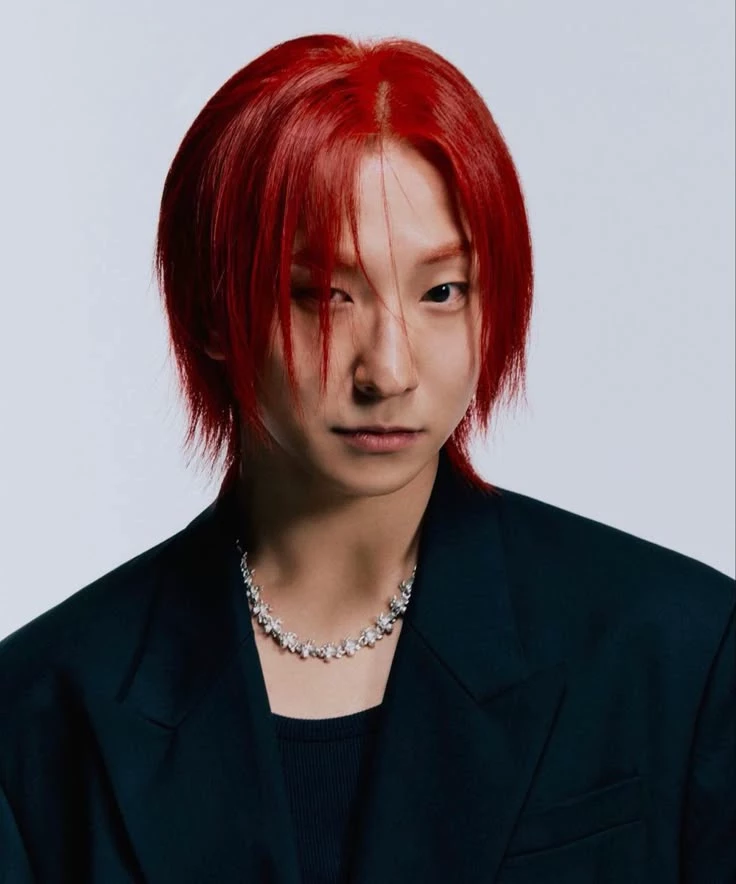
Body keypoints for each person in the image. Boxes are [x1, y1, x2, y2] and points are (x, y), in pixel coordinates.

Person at [0, 32, 733, 884]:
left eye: (441, 292)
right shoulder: (41, 712)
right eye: (322, 296)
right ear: (210, 310)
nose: (389, 370)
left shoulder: (678, 651)